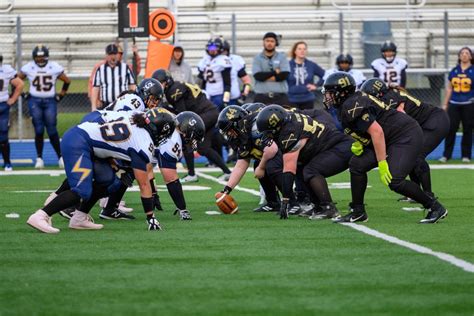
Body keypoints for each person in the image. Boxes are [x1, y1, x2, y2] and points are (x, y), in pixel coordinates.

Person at [322, 72, 448, 224]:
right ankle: (358, 211)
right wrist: (360, 142)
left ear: (342, 92)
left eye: (330, 93)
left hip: (404, 135)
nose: (327, 97)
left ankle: (435, 207)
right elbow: (370, 129)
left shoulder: (351, 105)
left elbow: (377, 131)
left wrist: (382, 162)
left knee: (395, 180)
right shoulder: (348, 103)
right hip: (390, 137)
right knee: (357, 164)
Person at [26, 108, 176, 234]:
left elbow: (100, 119)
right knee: (82, 190)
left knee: (108, 180)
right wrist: (150, 217)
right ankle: (41, 215)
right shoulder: (144, 144)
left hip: (86, 140)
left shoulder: (131, 116)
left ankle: (79, 218)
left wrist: (108, 156)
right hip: (78, 142)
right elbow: (144, 185)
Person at [256, 104, 353, 220]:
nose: (267, 136)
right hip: (330, 146)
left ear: (277, 126)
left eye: (269, 132)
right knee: (303, 168)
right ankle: (318, 206)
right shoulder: (289, 121)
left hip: (340, 147)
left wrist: (286, 200)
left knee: (311, 170)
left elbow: (289, 169)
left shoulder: (289, 131)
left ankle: (328, 207)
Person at [361, 78, 450, 199]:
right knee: (410, 154)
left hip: (435, 121)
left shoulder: (390, 99)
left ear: (379, 94)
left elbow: (401, 116)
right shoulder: (390, 95)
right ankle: (415, 192)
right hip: (425, 122)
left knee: (417, 156)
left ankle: (428, 194)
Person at [152, 69, 232, 182]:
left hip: (205, 114)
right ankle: (227, 172)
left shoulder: (173, 90)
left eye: (161, 82)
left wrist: (165, 108)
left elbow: (182, 115)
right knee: (203, 148)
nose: (160, 86)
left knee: (186, 138)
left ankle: (191, 174)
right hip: (208, 113)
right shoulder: (174, 88)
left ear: (167, 81)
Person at [18, 45, 71, 169]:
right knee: (39, 130)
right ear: (34, 57)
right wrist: (22, 94)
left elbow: (67, 81)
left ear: (46, 57)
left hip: (50, 101)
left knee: (52, 130)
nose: (40, 60)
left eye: (42, 57)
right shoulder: (28, 67)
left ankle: (60, 157)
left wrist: (61, 95)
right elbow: (16, 81)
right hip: (34, 101)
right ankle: (39, 158)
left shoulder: (54, 67)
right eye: (38, 57)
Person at [155, 111, 206, 220]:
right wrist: (182, 208)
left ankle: (112, 208)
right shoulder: (173, 141)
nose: (193, 141)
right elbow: (171, 179)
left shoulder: (172, 122)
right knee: (120, 178)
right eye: (193, 136)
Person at [439, 46, 474, 163]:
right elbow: (449, 89)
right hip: (454, 104)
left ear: (470, 56)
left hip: (468, 103)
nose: (464, 55)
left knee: (468, 129)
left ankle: (466, 155)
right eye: (462, 53)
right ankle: (446, 155)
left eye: (467, 53)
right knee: (450, 129)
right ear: (459, 56)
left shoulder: (473, 70)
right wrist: (445, 104)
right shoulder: (454, 70)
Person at [90, 44, 136, 110]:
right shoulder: (100, 69)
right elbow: (95, 88)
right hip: (106, 104)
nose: (113, 56)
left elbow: (132, 86)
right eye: (110, 54)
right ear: (106, 55)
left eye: (114, 54)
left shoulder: (125, 68)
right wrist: (93, 106)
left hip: (122, 103)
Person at [0, 54, 24, 171]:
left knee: (3, 135)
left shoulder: (7, 70)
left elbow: (20, 84)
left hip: (2, 106)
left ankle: (7, 163)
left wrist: (13, 99)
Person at [252, 32, 290, 105]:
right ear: (263, 42)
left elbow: (284, 75)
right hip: (261, 97)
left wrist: (265, 76)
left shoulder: (282, 57)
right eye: (267, 41)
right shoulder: (257, 58)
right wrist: (275, 72)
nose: (269, 43)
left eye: (272, 41)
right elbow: (258, 76)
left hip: (280, 97)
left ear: (276, 43)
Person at [287, 41, 325, 110]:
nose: (302, 51)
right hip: (291, 100)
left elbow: (325, 75)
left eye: (304, 49)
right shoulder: (287, 65)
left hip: (308, 99)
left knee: (308, 120)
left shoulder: (311, 65)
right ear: (295, 51)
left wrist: (316, 85)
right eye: (300, 49)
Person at [197, 37, 232, 110]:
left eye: (214, 47)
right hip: (206, 93)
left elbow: (227, 83)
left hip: (218, 94)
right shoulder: (205, 60)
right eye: (210, 47)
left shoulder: (223, 60)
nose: (212, 50)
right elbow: (201, 79)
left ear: (220, 48)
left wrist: (225, 99)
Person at [222, 39, 252, 103]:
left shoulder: (235, 60)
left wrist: (244, 94)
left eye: (223, 50)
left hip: (232, 98)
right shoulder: (209, 61)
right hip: (214, 98)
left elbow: (247, 80)